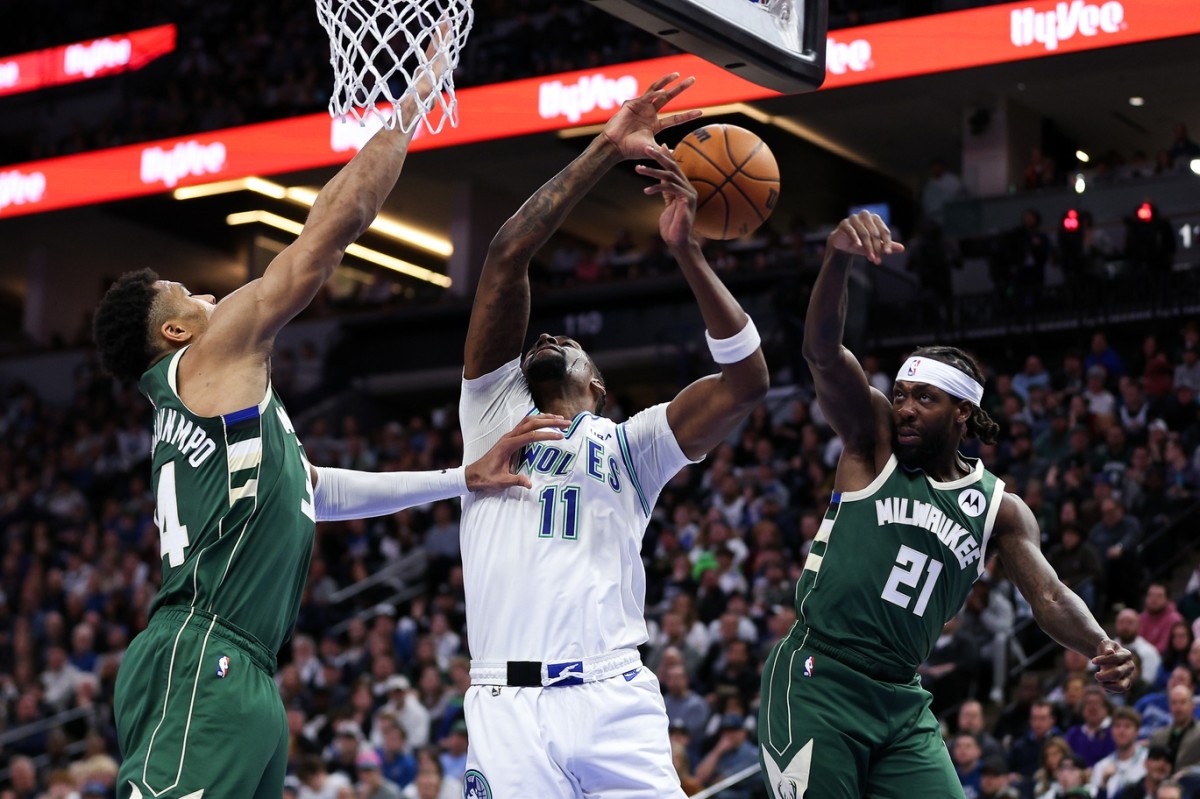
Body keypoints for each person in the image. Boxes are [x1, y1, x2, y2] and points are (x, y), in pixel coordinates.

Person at [90, 54, 570, 799]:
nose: (216, 291)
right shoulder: (208, 360)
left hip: (236, 662)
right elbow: (328, 234)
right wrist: (412, 103)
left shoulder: (225, 414)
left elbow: (318, 493)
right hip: (204, 652)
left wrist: (459, 478)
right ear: (179, 330)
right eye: (192, 293)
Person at [455, 73, 768, 798]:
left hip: (614, 697)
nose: (552, 332)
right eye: (544, 334)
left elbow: (747, 383)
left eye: (570, 341)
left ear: (599, 386)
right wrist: (605, 146)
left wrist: (689, 254)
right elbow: (507, 255)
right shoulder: (493, 411)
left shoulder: (632, 444)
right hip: (506, 705)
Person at [758, 210, 1134, 798]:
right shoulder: (871, 440)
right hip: (818, 677)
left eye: (923, 398)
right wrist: (835, 260)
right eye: (902, 394)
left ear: (962, 412)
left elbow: (1051, 596)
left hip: (900, 697)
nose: (904, 406)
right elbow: (823, 354)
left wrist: (1100, 645)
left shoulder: (999, 509)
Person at [1088, 707, 1147, 799]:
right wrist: (1104, 783)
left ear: (1137, 732)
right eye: (1117, 726)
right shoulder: (1101, 766)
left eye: (1127, 726)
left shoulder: (1148, 760)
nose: (1121, 731)